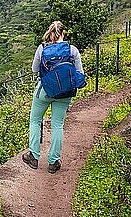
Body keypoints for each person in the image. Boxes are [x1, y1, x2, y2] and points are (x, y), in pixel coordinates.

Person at [21, 21, 84, 173]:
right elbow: (80, 73)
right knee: (57, 125)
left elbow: (35, 70)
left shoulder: (42, 49)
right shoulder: (72, 50)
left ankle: (34, 157)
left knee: (35, 120)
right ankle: (53, 162)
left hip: (45, 91)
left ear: (50, 33)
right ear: (63, 33)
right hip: (64, 93)